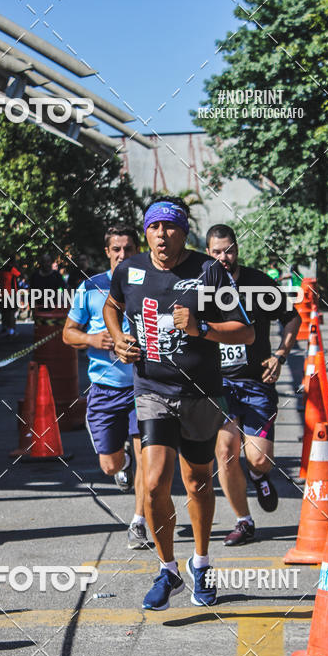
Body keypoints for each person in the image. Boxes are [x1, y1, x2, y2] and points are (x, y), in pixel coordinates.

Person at [104, 198, 254, 611]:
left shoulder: (209, 271)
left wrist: (202, 328)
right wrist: (117, 338)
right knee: (153, 483)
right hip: (152, 389)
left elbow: (245, 332)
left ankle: (200, 563)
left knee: (197, 481)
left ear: (184, 233)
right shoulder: (129, 270)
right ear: (146, 233)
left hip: (202, 393)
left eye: (170, 228)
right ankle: (167, 568)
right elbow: (112, 306)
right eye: (154, 228)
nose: (162, 235)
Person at [206, 224, 301, 546]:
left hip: (257, 382)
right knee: (225, 452)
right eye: (217, 252)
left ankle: (259, 474)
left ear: (237, 249)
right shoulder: (201, 287)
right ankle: (243, 521)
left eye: (229, 250)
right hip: (219, 384)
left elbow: (292, 317)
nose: (224, 257)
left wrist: (280, 355)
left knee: (258, 458)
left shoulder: (258, 283)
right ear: (208, 253)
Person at [63, 224, 149, 550]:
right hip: (105, 388)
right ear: (108, 252)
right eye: (116, 249)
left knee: (147, 458)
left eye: (129, 249)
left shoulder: (151, 283)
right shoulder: (91, 288)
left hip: (144, 386)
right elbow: (68, 333)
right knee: (109, 464)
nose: (122, 255)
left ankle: (139, 522)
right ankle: (122, 463)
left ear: (138, 251)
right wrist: (92, 339)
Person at [0, 255, 21, 335]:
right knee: (11, 313)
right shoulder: (12, 269)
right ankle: (11, 329)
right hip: (11, 294)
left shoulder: (0, 270)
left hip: (2, 294)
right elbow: (20, 275)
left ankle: (5, 327)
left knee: (4, 312)